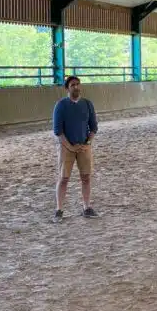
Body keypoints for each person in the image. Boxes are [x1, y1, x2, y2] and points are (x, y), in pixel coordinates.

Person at [52, 76, 99, 222]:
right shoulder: (61, 105)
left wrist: (88, 143)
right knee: (64, 178)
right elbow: (58, 131)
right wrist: (70, 146)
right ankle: (59, 209)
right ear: (67, 88)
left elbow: (93, 127)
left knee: (86, 177)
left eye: (78, 84)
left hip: (84, 146)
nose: (76, 87)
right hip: (66, 147)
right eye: (73, 85)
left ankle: (86, 207)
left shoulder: (87, 104)